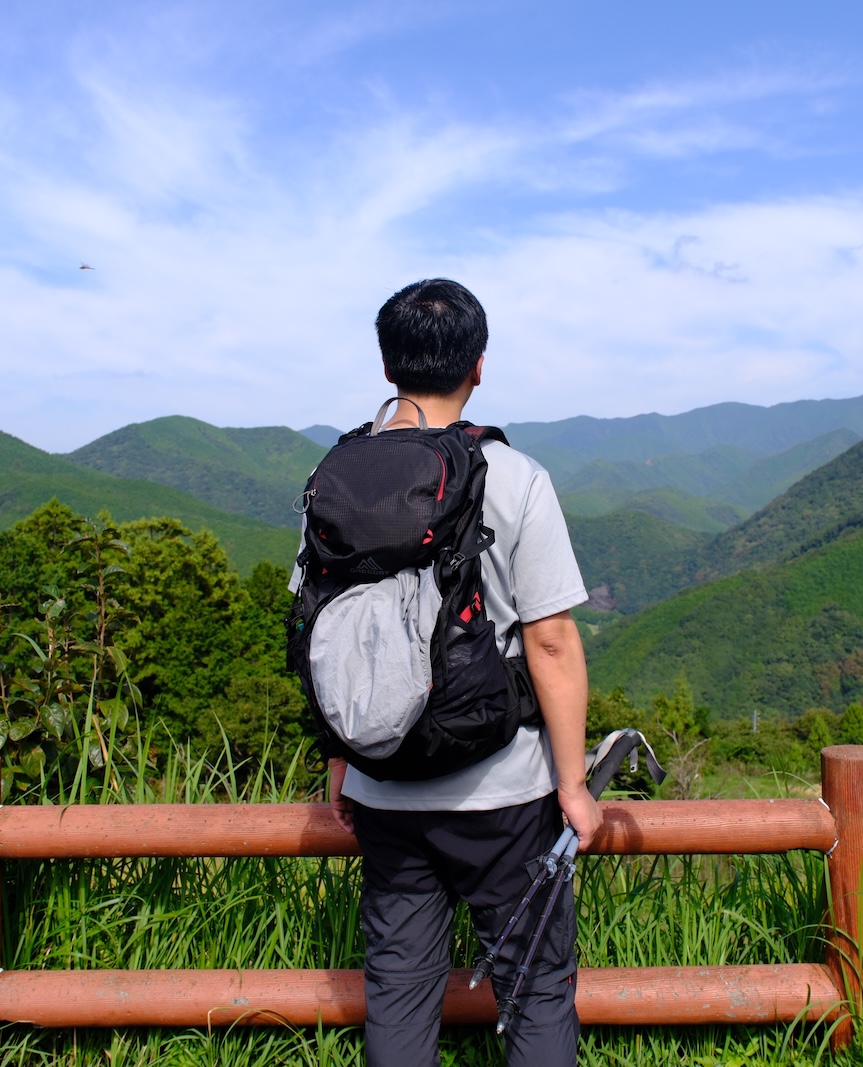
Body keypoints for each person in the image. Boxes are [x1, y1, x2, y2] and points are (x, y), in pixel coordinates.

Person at [307, 278, 602, 1066]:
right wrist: (574, 785)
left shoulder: (335, 479)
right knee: (535, 989)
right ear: (479, 364)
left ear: (387, 365)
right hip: (503, 791)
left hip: (384, 783)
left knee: (399, 991)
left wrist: (342, 758)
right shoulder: (515, 476)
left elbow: (321, 630)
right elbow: (551, 643)